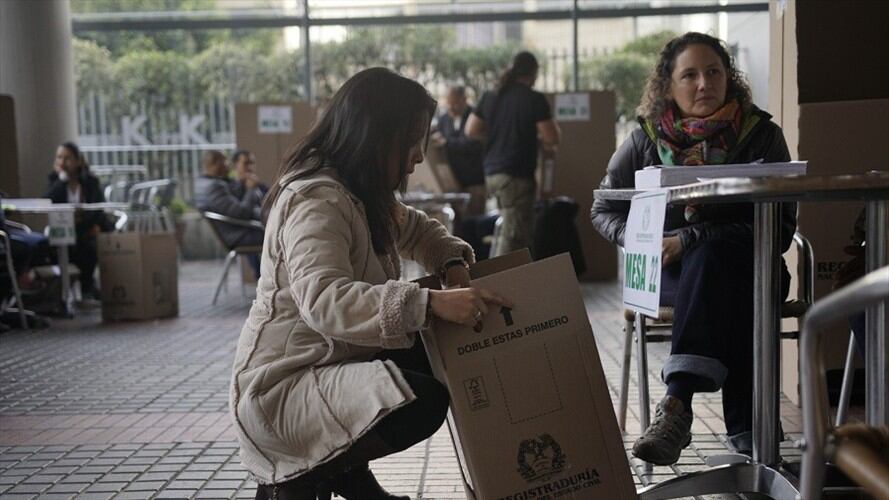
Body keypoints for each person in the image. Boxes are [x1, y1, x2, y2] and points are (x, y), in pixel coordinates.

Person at [230, 67, 510, 500]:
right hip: (283, 389)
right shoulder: (317, 201)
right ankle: (308, 475)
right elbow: (325, 301)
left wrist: (451, 260)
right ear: (376, 136)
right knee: (422, 400)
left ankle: (345, 474)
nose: (418, 156)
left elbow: (419, 231)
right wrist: (431, 302)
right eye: (412, 140)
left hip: (328, 367)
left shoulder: (361, 192)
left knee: (430, 351)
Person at [590, 32, 797, 465]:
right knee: (727, 284)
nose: (704, 83)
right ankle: (750, 432)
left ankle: (677, 405)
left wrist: (690, 239)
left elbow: (779, 230)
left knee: (717, 265)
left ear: (729, 78)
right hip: (670, 277)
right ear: (668, 86)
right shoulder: (645, 140)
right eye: (690, 75)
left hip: (753, 265)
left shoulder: (762, 136)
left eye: (714, 72)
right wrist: (643, 242)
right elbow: (602, 209)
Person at [466, 51, 560, 257]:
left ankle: (509, 278)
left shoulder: (491, 96)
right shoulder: (534, 99)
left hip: (492, 173)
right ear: (534, 73)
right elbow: (552, 138)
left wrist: (498, 136)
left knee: (507, 227)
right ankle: (503, 283)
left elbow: (471, 130)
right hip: (516, 175)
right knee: (515, 236)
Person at [44, 142, 111, 300]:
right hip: (65, 229)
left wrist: (81, 225)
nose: (62, 162)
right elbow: (47, 201)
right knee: (55, 246)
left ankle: (87, 285)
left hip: (86, 227)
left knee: (89, 246)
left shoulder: (90, 182)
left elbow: (97, 209)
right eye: (59, 157)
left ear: (78, 161)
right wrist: (61, 181)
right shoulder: (54, 180)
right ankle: (65, 288)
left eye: (67, 158)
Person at [194, 150, 265, 279]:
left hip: (238, 229)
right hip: (238, 234)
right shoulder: (214, 186)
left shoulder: (204, 183)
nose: (228, 165)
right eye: (225, 161)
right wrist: (250, 189)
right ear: (215, 163)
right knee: (283, 234)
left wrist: (241, 183)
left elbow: (231, 202)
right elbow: (242, 213)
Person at [432, 86, 484, 190]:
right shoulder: (444, 119)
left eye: (454, 104)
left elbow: (475, 143)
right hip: (452, 180)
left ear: (464, 100)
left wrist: (447, 142)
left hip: (474, 179)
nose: (451, 107)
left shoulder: (476, 116)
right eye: (449, 104)